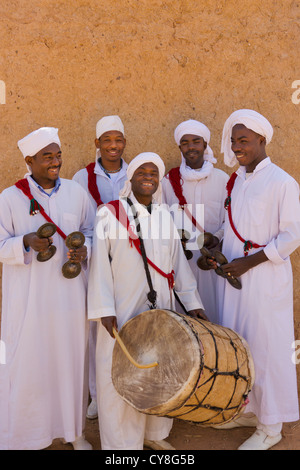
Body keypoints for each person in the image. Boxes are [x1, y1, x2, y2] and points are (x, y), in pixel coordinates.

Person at [88, 152, 206, 450]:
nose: (148, 177)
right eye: (142, 171)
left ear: (159, 180)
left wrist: (194, 305)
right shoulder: (109, 213)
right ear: (131, 178)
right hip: (123, 309)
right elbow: (99, 264)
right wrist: (104, 310)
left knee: (158, 373)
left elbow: (178, 266)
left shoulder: (166, 216)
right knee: (121, 375)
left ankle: (153, 435)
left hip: (161, 310)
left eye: (154, 172)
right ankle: (121, 447)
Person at [0, 127, 95, 450]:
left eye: (57, 155)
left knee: (70, 362)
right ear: (29, 160)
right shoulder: (10, 198)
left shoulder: (76, 193)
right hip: (28, 300)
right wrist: (23, 242)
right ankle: (28, 435)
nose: (55, 162)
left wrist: (87, 251)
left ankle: (74, 432)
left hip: (69, 297)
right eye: (47, 157)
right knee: (28, 363)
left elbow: (91, 231)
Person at [211, 109, 300, 450]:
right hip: (236, 278)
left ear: (263, 140)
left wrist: (249, 262)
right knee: (241, 344)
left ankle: (271, 426)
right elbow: (231, 225)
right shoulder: (237, 180)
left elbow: (292, 235)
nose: (236, 147)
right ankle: (249, 410)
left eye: (244, 140)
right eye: (233, 141)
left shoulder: (281, 181)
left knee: (266, 348)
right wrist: (215, 243)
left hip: (264, 280)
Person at [73, 115, 128, 420]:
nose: (113, 145)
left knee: (128, 322)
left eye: (118, 139)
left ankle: (127, 388)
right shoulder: (82, 178)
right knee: (98, 328)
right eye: (106, 140)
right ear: (97, 143)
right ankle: (97, 394)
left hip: (129, 261)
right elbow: (81, 222)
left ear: (125, 143)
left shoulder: (136, 173)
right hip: (95, 261)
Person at [162, 119, 228, 323]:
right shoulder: (167, 182)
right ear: (179, 147)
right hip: (182, 264)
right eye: (185, 142)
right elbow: (161, 218)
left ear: (205, 145)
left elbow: (232, 220)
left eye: (196, 141)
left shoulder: (223, 179)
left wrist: (216, 238)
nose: (191, 147)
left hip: (215, 265)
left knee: (217, 317)